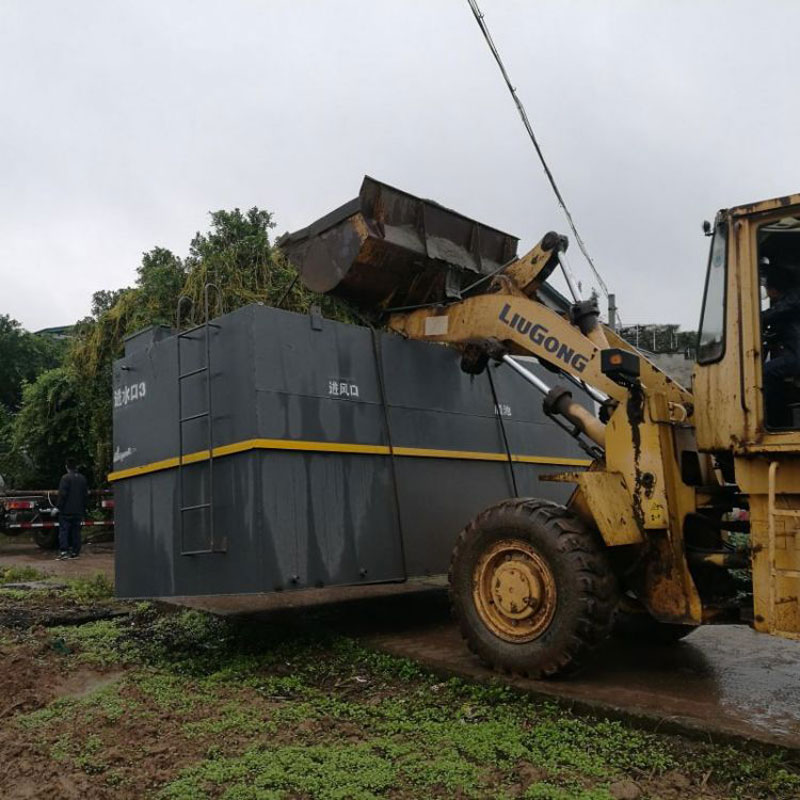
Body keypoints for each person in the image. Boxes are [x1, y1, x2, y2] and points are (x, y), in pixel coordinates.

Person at [762, 263, 800, 428]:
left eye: (767, 289)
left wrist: (753, 317)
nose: (768, 295)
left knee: (766, 373)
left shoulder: (793, 299)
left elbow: (775, 313)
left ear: (775, 288)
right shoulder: (788, 301)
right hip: (794, 352)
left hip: (797, 355)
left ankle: (776, 424)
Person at [56, 457, 88, 559]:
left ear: (66, 467)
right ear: (76, 467)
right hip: (78, 511)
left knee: (64, 531)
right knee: (76, 532)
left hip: (66, 511)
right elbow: (85, 495)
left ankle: (64, 551)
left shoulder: (65, 478)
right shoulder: (82, 479)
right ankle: (75, 552)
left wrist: (58, 507)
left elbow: (62, 495)